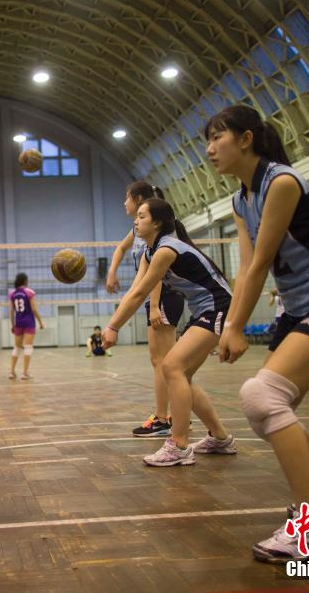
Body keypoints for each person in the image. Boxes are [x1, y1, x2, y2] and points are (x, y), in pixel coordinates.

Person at [207, 104, 309, 563]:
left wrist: (236, 325)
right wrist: (231, 323)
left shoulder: (280, 182)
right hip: (297, 310)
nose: (209, 149)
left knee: (262, 397)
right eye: (207, 140)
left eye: (217, 137)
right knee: (266, 410)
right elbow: (244, 267)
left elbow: (262, 262)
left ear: (246, 139)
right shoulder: (241, 200)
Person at [102, 197, 235, 467]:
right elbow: (133, 290)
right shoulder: (150, 252)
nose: (136, 221)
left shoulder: (166, 250)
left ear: (157, 223)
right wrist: (112, 324)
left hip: (218, 306)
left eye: (141, 216)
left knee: (172, 366)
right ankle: (220, 437)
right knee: (181, 375)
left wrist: (114, 326)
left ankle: (178, 445)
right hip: (203, 310)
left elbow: (140, 294)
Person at [107, 181, 185, 438]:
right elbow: (121, 248)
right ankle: (171, 416)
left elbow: (159, 272)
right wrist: (112, 272)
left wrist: (154, 306)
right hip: (154, 297)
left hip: (164, 296)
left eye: (127, 198)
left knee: (168, 362)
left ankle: (167, 418)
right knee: (159, 361)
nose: (124, 203)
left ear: (139, 199)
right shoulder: (138, 230)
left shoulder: (160, 234)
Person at [8, 272, 44, 380]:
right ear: (25, 281)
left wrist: (12, 325)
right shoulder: (29, 292)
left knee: (17, 348)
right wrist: (40, 322)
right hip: (29, 322)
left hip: (18, 322)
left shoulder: (13, 294)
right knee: (28, 347)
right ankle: (24, 373)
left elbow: (11, 311)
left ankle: (11, 372)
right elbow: (34, 309)